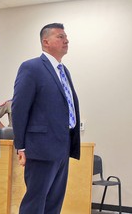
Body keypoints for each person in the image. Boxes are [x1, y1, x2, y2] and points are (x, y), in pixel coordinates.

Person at [12, 23, 80, 214]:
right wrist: (21, 145)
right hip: (41, 147)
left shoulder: (64, 71)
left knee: (54, 202)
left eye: (66, 36)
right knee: (35, 201)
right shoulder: (31, 67)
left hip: (62, 146)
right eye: (60, 36)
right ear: (46, 41)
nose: (66, 40)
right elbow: (19, 108)